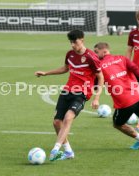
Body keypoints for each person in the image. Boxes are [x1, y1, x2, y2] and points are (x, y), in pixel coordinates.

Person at [35, 30, 104, 161]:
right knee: (56, 122)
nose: (73, 45)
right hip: (67, 91)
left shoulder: (91, 57)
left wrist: (96, 97)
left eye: (75, 42)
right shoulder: (70, 54)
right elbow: (65, 68)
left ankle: (55, 149)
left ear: (82, 40)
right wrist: (46, 73)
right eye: (71, 42)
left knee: (68, 118)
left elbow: (101, 77)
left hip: (82, 93)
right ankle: (68, 152)